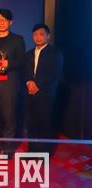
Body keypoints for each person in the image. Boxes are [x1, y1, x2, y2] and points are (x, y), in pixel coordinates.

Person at [0, 8, 25, 154]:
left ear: (10, 22)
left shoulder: (17, 39)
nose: (2, 23)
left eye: (5, 20)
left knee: (9, 117)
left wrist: (9, 64)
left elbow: (22, 61)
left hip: (10, 84)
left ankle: (9, 147)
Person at [23, 23, 63, 152]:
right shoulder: (29, 54)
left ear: (48, 36)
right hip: (30, 93)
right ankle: (32, 150)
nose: (38, 37)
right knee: (31, 124)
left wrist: (37, 85)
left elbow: (55, 73)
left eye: (41, 34)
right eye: (35, 35)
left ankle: (45, 153)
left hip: (46, 94)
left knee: (45, 123)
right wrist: (29, 82)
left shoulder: (55, 53)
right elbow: (25, 71)